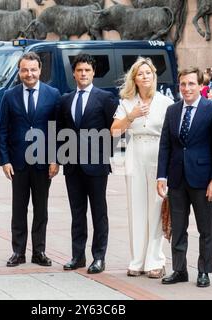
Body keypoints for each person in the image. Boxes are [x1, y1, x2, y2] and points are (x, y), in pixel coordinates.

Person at [156, 67, 212, 288]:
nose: (187, 88)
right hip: (177, 179)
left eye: (191, 84)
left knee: (205, 229)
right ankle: (179, 270)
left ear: (200, 86)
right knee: (178, 227)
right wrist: (161, 176)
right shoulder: (173, 111)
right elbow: (165, 145)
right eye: (183, 84)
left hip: (203, 179)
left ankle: (204, 271)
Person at [110, 57, 173, 278]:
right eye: (140, 74)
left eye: (148, 73)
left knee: (157, 208)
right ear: (134, 79)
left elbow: (171, 135)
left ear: (154, 76)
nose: (145, 76)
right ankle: (137, 260)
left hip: (159, 153)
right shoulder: (127, 102)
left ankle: (155, 261)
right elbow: (115, 130)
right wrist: (131, 115)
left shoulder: (165, 102)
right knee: (136, 208)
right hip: (135, 154)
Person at [0, 52, 60, 268]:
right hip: (18, 163)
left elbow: (56, 130)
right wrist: (4, 160)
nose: (29, 74)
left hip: (44, 164)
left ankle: (39, 251)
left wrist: (55, 159)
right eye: (25, 70)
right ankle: (18, 252)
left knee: (41, 209)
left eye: (33, 70)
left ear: (40, 70)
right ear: (19, 71)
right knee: (19, 208)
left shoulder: (53, 94)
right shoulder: (9, 95)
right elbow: (2, 130)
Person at [58, 54, 118, 274]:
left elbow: (115, 131)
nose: (83, 74)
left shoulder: (105, 98)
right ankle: (78, 255)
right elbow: (60, 132)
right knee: (77, 212)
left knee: (99, 212)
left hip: (96, 166)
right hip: (72, 166)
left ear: (93, 73)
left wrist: (104, 154)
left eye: (87, 70)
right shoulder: (65, 99)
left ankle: (99, 257)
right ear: (74, 73)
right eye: (80, 70)